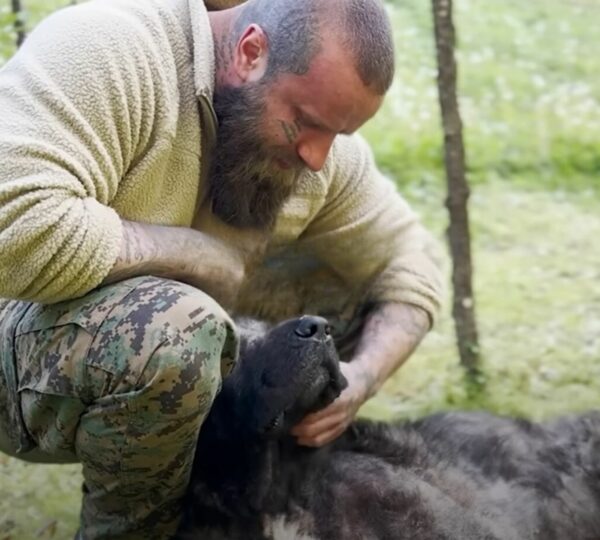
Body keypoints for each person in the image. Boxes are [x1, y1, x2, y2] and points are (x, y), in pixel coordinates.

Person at [0, 0, 443, 537]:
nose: (318, 158)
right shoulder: (108, 47)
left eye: (337, 136)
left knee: (330, 302)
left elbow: (411, 264)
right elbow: (14, 231)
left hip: (147, 361)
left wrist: (363, 377)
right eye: (305, 123)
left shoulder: (319, 154)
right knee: (178, 328)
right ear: (251, 52)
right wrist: (197, 256)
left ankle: (233, 512)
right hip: (17, 357)